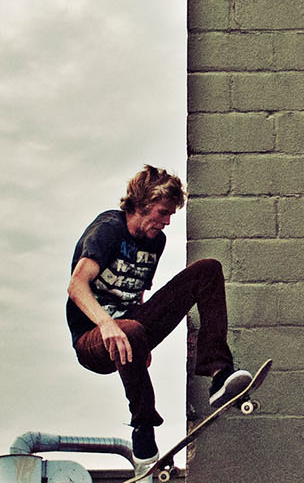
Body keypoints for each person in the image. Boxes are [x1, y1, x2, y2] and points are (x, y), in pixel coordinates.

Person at [67, 165, 250, 459]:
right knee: (129, 330)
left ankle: (217, 372)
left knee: (208, 270)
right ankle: (143, 424)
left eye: (170, 215)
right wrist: (107, 324)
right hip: (92, 340)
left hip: (131, 327)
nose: (166, 222)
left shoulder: (156, 242)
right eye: (163, 213)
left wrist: (142, 341)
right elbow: (76, 286)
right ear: (142, 204)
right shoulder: (108, 230)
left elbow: (137, 288)